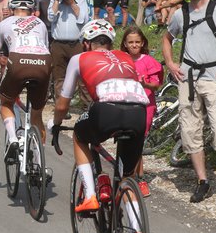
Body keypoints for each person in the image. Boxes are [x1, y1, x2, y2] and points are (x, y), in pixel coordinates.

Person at [51, 19, 149, 213]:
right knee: (126, 178)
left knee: (79, 135)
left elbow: (62, 105)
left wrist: (56, 123)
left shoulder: (79, 58)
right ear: (111, 44)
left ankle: (89, 196)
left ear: (86, 43)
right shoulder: (126, 56)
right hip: (139, 113)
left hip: (106, 110)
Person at [162, 0, 216, 204]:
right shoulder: (180, 13)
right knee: (190, 131)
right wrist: (171, 64)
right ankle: (202, 181)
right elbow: (167, 38)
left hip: (214, 76)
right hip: (188, 77)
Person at [0, 0, 51, 173]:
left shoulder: (3, 24)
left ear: (12, 9)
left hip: (18, 61)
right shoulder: (40, 23)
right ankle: (40, 165)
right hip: (43, 62)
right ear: (30, 9)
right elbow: (44, 48)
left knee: (7, 101)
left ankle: (13, 138)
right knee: (36, 114)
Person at [121, 26, 163, 197]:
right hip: (125, 104)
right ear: (125, 43)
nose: (134, 45)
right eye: (131, 42)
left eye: (137, 42)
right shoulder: (121, 60)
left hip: (145, 105)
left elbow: (156, 84)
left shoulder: (148, 61)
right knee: (127, 140)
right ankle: (129, 175)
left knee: (138, 140)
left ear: (143, 42)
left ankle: (139, 177)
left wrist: (145, 84)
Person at [47, 0, 90, 110]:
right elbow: (50, 17)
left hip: (75, 44)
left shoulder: (81, 0)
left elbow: (84, 19)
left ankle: (87, 106)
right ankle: (61, 107)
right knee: (59, 76)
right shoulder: (54, 1)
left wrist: (72, 3)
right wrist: (56, 0)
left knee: (82, 76)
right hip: (58, 44)